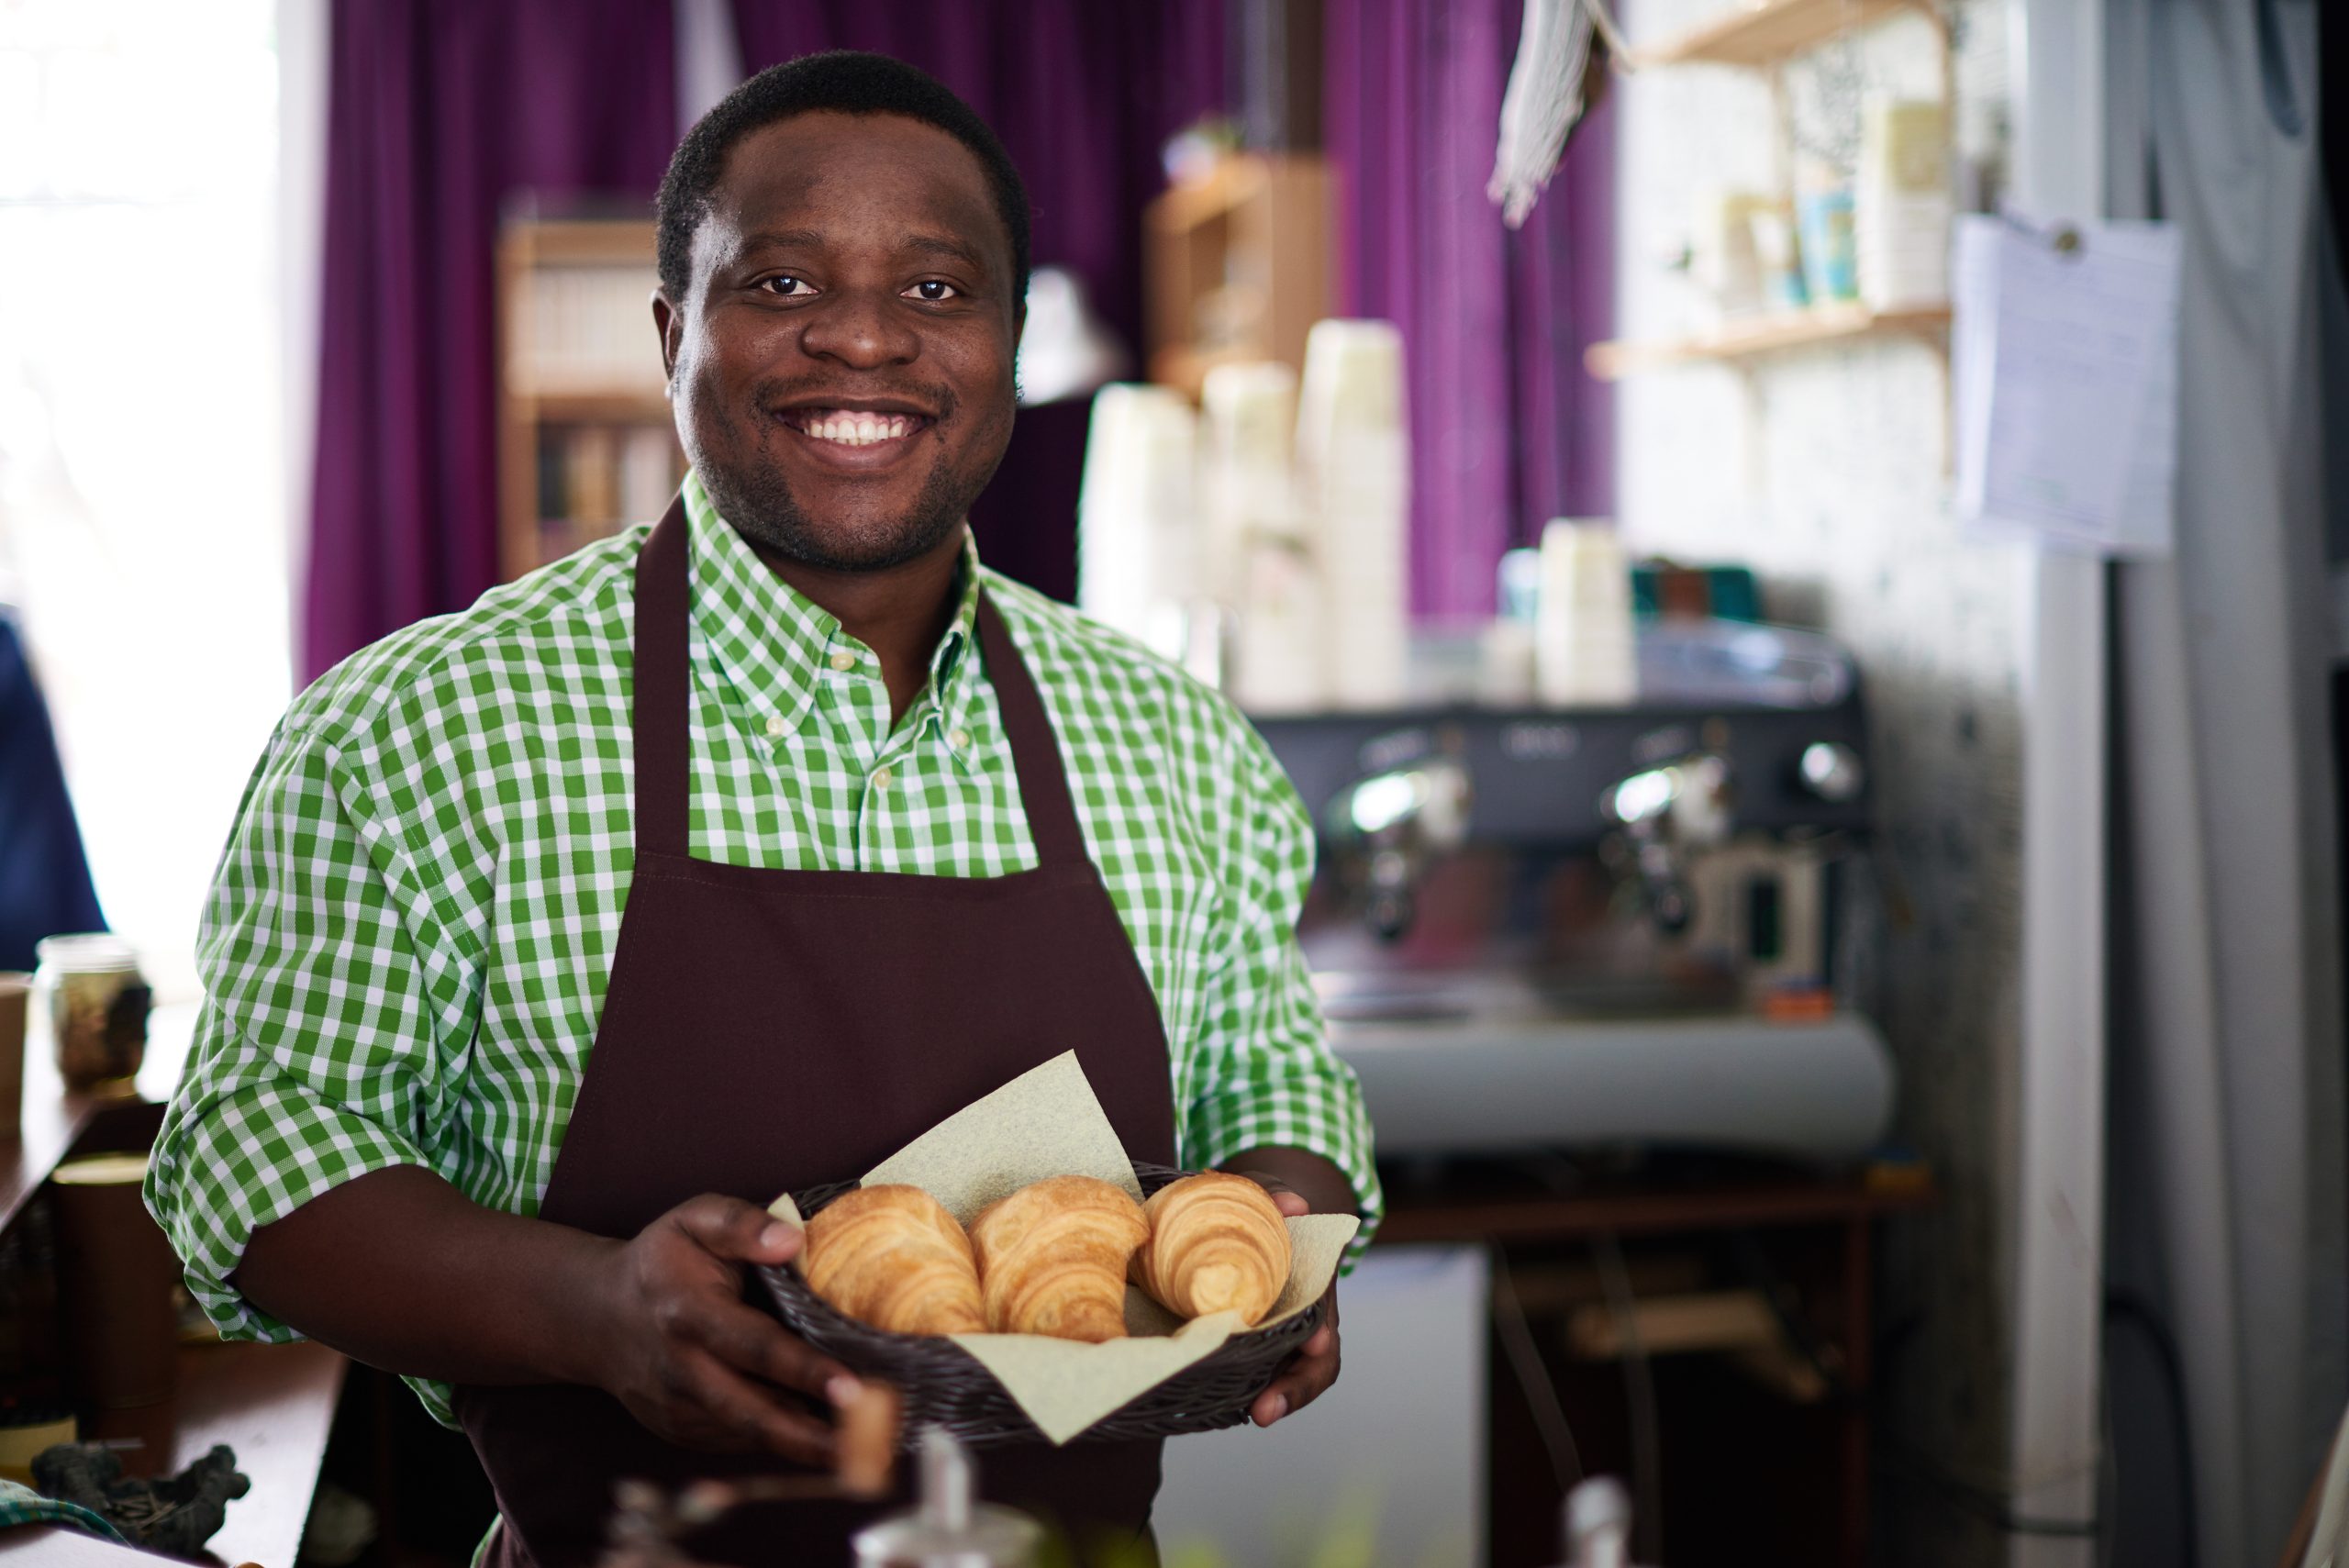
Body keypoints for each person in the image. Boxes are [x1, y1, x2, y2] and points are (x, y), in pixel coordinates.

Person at [145, 49, 1378, 1568]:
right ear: (674, 333)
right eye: (783, 284)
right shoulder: (416, 730)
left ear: (1007, 345)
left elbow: (1280, 1098)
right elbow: (253, 1153)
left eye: (937, 293)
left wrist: (1280, 1248)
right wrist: (593, 1311)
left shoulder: (1176, 743)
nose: (863, 339)